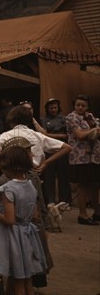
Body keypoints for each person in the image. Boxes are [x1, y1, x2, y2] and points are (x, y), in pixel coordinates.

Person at [0, 105, 72, 231]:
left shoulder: (7, 134)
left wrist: (5, 162)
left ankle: (13, 232)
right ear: (29, 120)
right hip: (31, 174)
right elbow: (67, 147)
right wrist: (45, 163)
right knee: (36, 210)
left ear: (11, 120)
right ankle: (38, 241)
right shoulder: (37, 135)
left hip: (10, 174)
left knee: (8, 206)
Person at [0, 144, 47, 295]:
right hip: (28, 236)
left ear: (10, 168)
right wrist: (1, 207)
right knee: (27, 279)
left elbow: (10, 220)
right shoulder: (30, 186)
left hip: (13, 238)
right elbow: (34, 215)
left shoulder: (8, 189)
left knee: (18, 280)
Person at [65, 94, 100, 225]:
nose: (80, 107)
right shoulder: (71, 117)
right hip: (80, 156)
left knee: (94, 184)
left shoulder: (90, 117)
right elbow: (79, 135)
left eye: (83, 105)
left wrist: (94, 130)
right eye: (78, 105)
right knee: (83, 185)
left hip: (94, 156)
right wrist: (95, 130)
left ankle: (97, 213)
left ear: (88, 107)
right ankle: (83, 215)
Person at [39, 98, 71, 208]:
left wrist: (62, 136)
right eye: (51, 107)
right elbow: (44, 134)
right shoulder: (43, 120)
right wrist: (60, 136)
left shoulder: (63, 119)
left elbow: (68, 134)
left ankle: (65, 200)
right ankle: (50, 200)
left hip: (63, 148)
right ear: (47, 108)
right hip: (49, 149)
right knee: (49, 175)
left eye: (55, 107)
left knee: (64, 174)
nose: (53, 109)